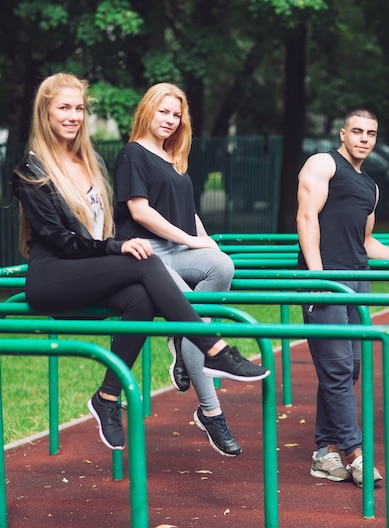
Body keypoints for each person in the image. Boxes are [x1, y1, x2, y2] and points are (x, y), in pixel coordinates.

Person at [11, 72, 269, 452]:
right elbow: (63, 243)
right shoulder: (30, 172)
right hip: (52, 275)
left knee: (142, 300)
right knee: (145, 262)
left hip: (86, 266)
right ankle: (213, 348)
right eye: (63, 108)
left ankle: (107, 399)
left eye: (79, 108)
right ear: (44, 113)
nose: (73, 116)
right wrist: (118, 248)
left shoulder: (92, 160)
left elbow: (102, 227)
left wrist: (120, 246)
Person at [113, 83, 241, 457]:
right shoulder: (132, 154)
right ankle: (211, 411)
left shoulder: (173, 159)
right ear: (148, 110)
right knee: (194, 324)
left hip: (176, 248)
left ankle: (181, 342)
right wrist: (191, 239)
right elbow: (140, 212)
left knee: (221, 264)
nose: (169, 120)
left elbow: (190, 213)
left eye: (176, 114)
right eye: (163, 111)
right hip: (143, 251)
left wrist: (207, 242)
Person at [296, 108, 389, 488]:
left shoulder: (371, 187)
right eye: (358, 131)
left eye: (372, 134)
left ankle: (323, 451)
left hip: (356, 283)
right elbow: (306, 218)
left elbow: (365, 243)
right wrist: (317, 276)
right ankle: (353, 452)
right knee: (336, 367)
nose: (364, 138)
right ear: (343, 134)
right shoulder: (322, 164)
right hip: (327, 279)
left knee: (350, 368)